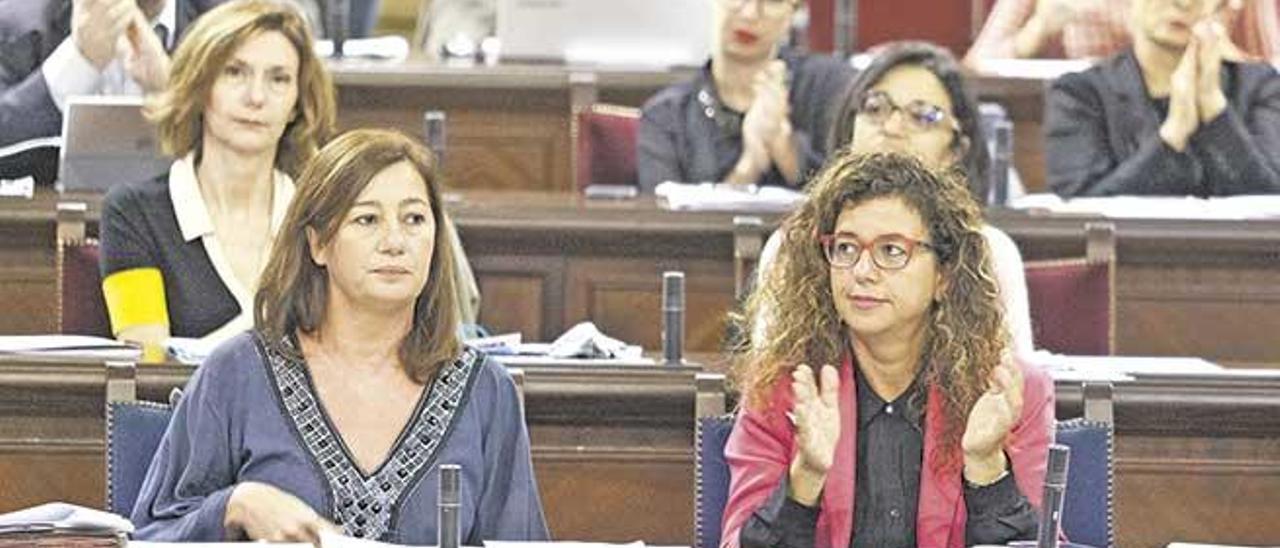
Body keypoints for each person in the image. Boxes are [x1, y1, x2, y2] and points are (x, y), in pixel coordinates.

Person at [130, 128, 550, 543]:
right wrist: (237, 504)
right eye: (367, 219)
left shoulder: (485, 390)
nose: (395, 242)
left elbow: (519, 542)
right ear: (318, 244)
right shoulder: (237, 373)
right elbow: (151, 536)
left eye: (414, 219)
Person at [723, 152, 1054, 547]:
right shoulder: (784, 387)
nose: (861, 271)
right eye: (846, 249)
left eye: (891, 251)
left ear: (944, 277)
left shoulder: (1009, 392)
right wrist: (806, 476)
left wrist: (986, 467)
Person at [98, 0, 337, 354]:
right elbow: (147, 361)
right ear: (200, 86)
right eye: (234, 72)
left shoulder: (324, 214)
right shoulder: (131, 213)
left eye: (279, 79)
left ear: (297, 104)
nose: (256, 97)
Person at [828, 41, 1033, 358]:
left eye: (923, 116)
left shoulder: (990, 251)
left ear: (956, 150)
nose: (893, 128)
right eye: (875, 108)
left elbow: (1017, 383)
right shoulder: (792, 245)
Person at [1045, 0, 1280, 197]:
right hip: (1129, 253)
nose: (1184, 3)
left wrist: (1214, 110)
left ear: (1221, 8)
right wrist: (1172, 136)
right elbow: (1081, 209)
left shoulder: (1262, 86)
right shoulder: (1080, 94)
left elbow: (1271, 200)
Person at [637, 0, 854, 192]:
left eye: (773, 1)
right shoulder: (664, 116)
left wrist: (783, 146)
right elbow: (666, 229)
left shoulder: (831, 87)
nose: (750, 13)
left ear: (794, 12)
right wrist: (750, 164)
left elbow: (854, 200)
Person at [0, 0, 227, 179]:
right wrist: (78, 63)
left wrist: (170, 94)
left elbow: (253, 150)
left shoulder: (228, 24)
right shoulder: (16, 23)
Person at [963, 0, 1279, 67]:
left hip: (1207, 114)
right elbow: (975, 66)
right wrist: (1036, 31)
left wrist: (1225, 55)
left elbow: (1275, 67)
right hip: (1092, 115)